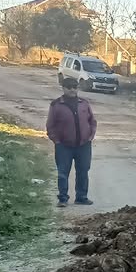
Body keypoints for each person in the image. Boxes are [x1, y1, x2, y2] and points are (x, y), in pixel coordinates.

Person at [45, 77, 97, 207]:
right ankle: (63, 199)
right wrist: (56, 141)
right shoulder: (56, 105)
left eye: (75, 87)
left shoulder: (84, 103)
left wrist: (90, 136)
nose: (72, 89)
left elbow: (92, 121)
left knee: (83, 171)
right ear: (63, 88)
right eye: (69, 87)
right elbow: (50, 125)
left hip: (84, 145)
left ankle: (81, 197)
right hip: (63, 146)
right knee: (63, 173)